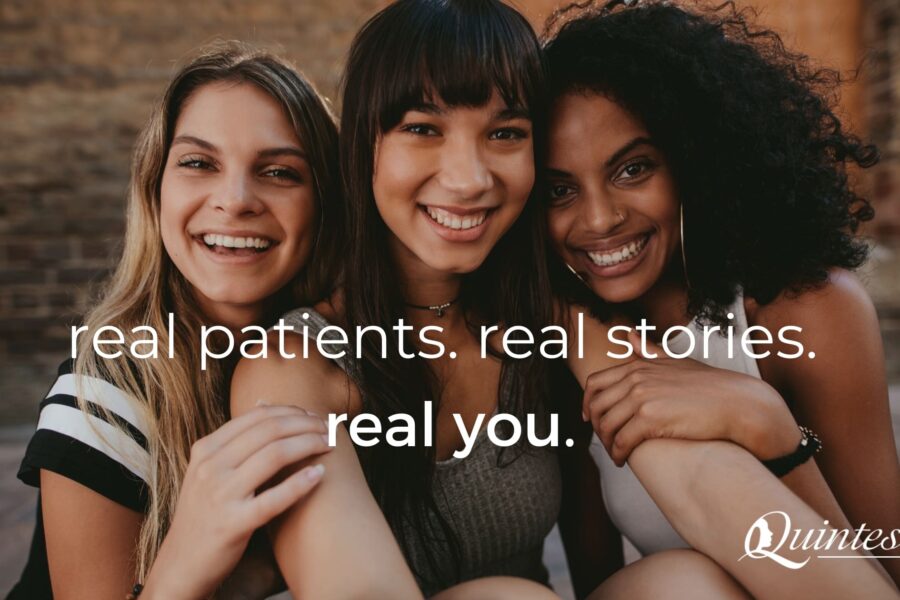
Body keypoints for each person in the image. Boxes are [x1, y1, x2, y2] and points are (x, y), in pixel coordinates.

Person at [541, 0, 900, 594]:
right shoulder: (571, 335)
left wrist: (768, 427)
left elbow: (886, 569)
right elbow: (595, 577)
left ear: (693, 162)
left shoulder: (808, 311)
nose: (600, 219)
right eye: (559, 189)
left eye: (633, 170)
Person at [230, 1, 563, 597]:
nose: (469, 179)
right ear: (364, 147)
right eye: (422, 128)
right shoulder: (298, 366)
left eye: (506, 133)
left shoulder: (546, 320)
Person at [10, 41, 342, 599]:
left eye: (280, 171)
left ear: (325, 203)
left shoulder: (337, 359)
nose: (235, 200)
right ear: (155, 189)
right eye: (198, 163)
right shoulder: (102, 397)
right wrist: (193, 552)